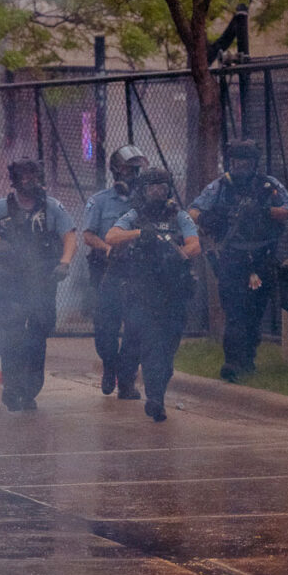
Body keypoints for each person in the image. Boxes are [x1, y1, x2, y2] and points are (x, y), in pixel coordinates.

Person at [189, 140, 288, 382]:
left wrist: (265, 211)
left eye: (246, 162)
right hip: (232, 259)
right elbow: (193, 210)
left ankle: (248, 359)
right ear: (230, 162)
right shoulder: (220, 186)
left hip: (262, 260)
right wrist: (209, 218)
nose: (241, 166)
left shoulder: (268, 185)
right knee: (235, 310)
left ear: (254, 163)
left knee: (255, 311)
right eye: (237, 162)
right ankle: (233, 363)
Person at [0, 160, 76, 412]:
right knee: (12, 336)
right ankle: (12, 389)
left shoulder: (52, 207)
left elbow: (69, 235)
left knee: (37, 336)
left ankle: (30, 390)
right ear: (14, 179)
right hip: (11, 282)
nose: (28, 180)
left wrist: (64, 263)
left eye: (33, 174)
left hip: (42, 281)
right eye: (23, 175)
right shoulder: (1, 207)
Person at [106, 169, 201, 421]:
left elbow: (194, 244)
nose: (158, 191)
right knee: (149, 344)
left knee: (167, 349)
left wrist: (178, 253)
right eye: (152, 187)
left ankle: (156, 390)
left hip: (173, 290)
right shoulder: (134, 215)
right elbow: (112, 236)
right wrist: (139, 234)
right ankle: (155, 399)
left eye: (162, 186)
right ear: (144, 190)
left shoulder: (179, 216)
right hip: (142, 291)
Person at [82, 145, 149, 398]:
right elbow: (88, 235)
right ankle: (110, 364)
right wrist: (107, 248)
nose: (132, 173)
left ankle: (127, 381)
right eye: (126, 168)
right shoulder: (98, 201)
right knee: (105, 328)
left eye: (136, 169)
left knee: (136, 327)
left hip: (138, 271)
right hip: (106, 269)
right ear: (115, 170)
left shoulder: (145, 201)